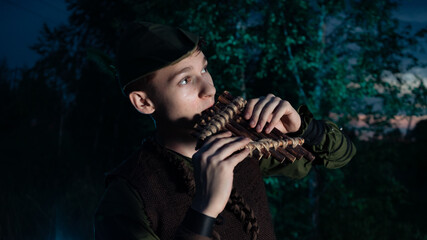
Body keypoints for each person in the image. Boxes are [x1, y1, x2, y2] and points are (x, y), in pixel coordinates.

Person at [94, 22, 356, 240]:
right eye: (185, 80)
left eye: (204, 69)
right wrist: (204, 210)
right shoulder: (126, 196)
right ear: (144, 102)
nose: (209, 89)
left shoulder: (244, 138)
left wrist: (304, 128)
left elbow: (342, 156)